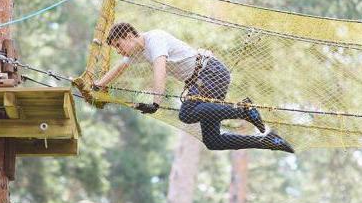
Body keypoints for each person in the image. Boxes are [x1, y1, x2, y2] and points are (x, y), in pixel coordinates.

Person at [94, 22, 294, 153]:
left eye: (119, 45)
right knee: (213, 141)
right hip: (202, 81)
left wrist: (156, 103)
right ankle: (267, 141)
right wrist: (98, 85)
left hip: (210, 73)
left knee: (187, 113)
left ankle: (243, 110)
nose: (120, 51)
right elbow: (118, 69)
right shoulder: (138, 51)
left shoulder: (155, 39)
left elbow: (160, 71)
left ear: (130, 35)